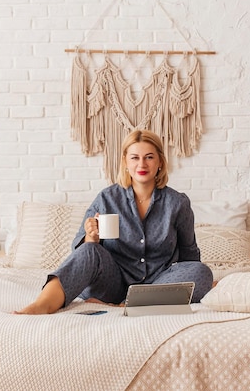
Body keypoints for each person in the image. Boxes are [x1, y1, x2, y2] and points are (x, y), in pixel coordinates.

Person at [15, 129, 213, 315]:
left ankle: (128, 305)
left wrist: (198, 278)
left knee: (202, 272)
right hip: (112, 283)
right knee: (88, 250)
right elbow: (81, 256)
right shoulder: (107, 199)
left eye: (149, 157)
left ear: (160, 161)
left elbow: (189, 255)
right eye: (134, 158)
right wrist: (91, 238)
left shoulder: (178, 203)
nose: (142, 165)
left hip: (158, 282)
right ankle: (41, 305)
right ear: (125, 162)